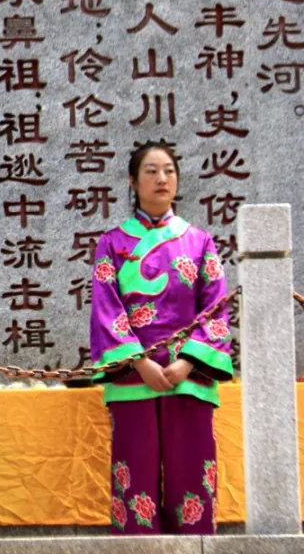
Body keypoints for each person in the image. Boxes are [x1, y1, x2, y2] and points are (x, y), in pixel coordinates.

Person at [89, 141, 231, 535]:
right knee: (135, 481)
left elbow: (215, 307)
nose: (161, 178)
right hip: (133, 378)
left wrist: (186, 362)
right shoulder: (112, 244)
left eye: (168, 170)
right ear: (133, 182)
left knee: (193, 479)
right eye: (150, 171)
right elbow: (106, 309)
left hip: (190, 376)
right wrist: (140, 362)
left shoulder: (199, 242)